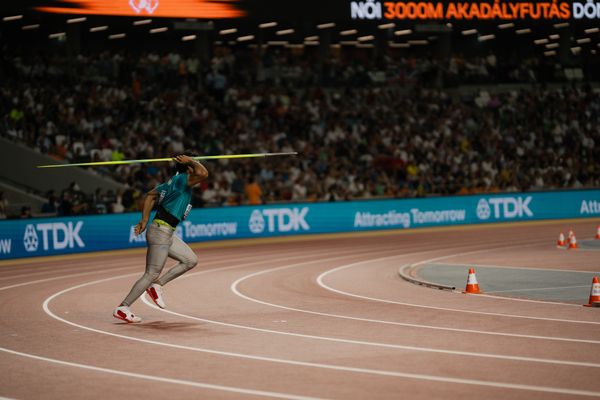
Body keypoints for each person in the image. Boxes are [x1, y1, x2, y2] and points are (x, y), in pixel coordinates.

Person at [113, 154, 209, 323]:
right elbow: (203, 174)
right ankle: (123, 307)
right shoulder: (181, 181)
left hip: (166, 232)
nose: (197, 168)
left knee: (190, 260)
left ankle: (156, 286)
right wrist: (193, 161)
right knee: (151, 273)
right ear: (188, 170)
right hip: (160, 232)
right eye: (194, 166)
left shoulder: (172, 182)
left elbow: (150, 195)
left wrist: (144, 220)